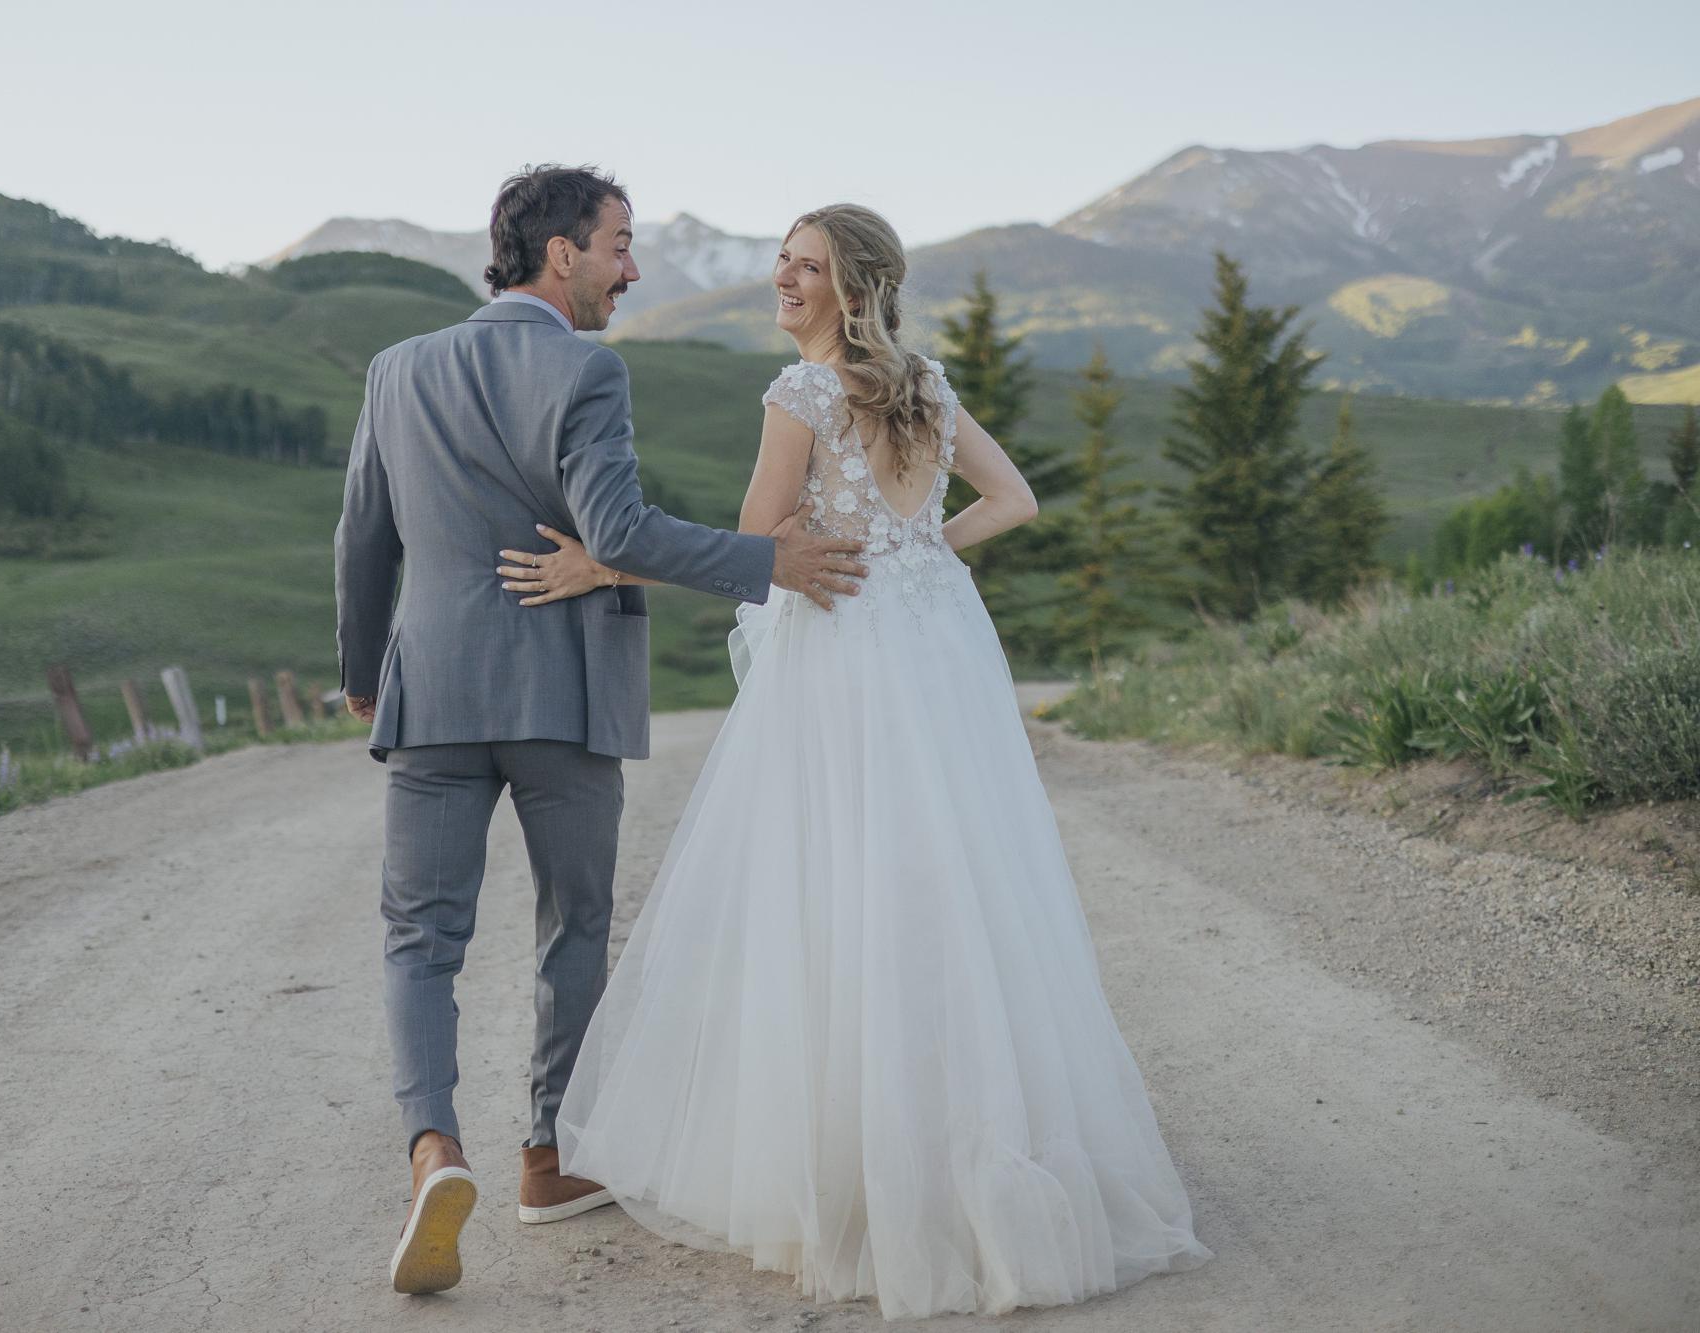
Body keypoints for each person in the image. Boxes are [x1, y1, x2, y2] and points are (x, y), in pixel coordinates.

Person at [497, 203, 1216, 1320]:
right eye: (781, 263)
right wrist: (915, 549)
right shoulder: (923, 382)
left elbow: (752, 552)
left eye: (804, 267)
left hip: (838, 667)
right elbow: (1011, 500)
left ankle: (861, 1177)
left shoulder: (801, 396)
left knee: (833, 894)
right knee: (949, 888)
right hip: (933, 656)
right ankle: (971, 1149)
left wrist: (606, 569)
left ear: (850, 288)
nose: (781, 280)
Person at [332, 165, 871, 1296]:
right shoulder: (585, 367)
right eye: (619, 245)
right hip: (562, 693)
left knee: (419, 936)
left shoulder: (394, 369)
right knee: (571, 922)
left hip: (430, 688)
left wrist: (361, 671)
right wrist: (763, 562)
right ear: (558, 254)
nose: (633, 269)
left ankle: (433, 1146)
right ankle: (547, 1157)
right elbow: (616, 525)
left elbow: (361, 539)